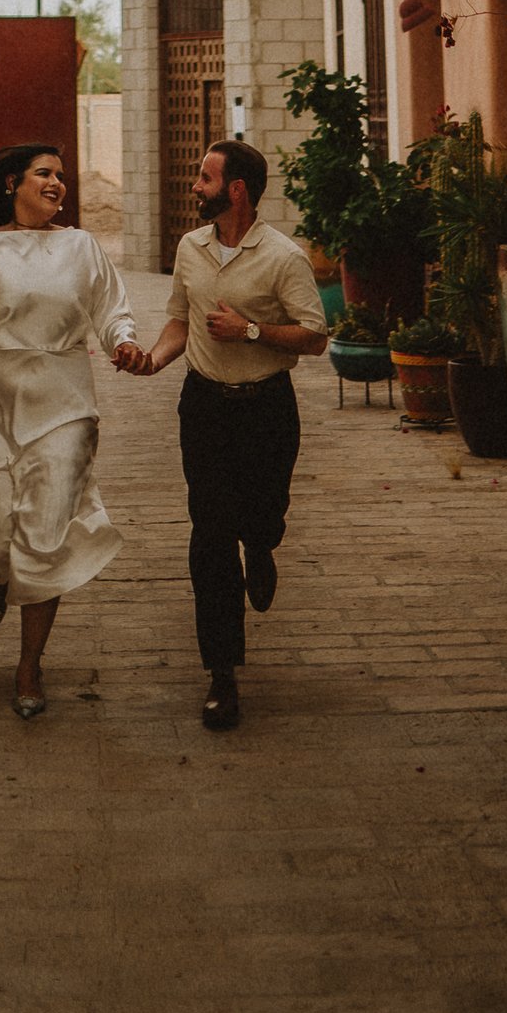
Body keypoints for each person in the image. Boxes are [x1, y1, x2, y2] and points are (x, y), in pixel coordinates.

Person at [117, 135, 328, 730]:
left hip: (266, 411)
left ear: (235, 190)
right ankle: (221, 673)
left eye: (205, 179)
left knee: (260, 517)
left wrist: (254, 332)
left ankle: (261, 543)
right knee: (210, 533)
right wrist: (152, 360)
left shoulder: (283, 257)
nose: (195, 187)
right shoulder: (191, 248)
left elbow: (315, 337)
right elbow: (181, 321)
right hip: (204, 406)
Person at [0, 141, 142, 721]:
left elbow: (112, 307)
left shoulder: (82, 247)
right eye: (44, 174)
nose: (56, 183)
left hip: (64, 405)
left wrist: (122, 340)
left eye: (61, 176)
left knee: (45, 539)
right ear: (11, 183)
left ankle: (29, 666)